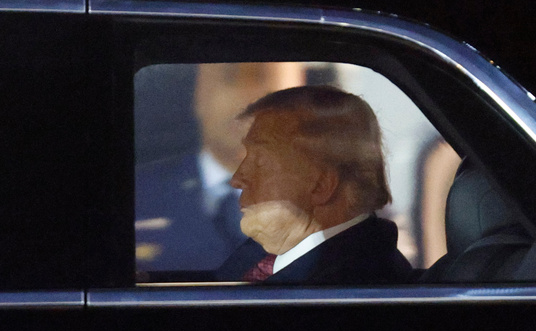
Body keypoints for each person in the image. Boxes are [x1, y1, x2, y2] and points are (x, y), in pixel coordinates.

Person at [216, 85, 413, 284]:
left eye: (261, 161)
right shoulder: (269, 258)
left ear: (321, 184)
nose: (237, 179)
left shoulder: (351, 288)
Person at [135, 63, 301, 275]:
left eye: (263, 80)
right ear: (200, 94)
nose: (247, 99)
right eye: (229, 79)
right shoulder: (138, 197)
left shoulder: (336, 202)